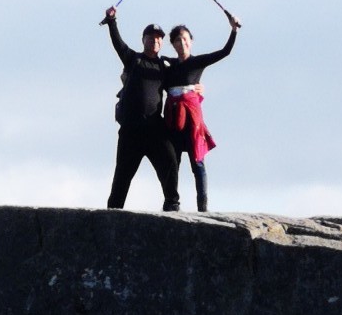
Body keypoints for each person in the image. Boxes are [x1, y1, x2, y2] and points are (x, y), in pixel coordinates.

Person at [103, 11, 180, 211]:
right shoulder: (133, 60)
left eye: (158, 39)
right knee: (122, 174)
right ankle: (113, 212)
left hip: (154, 128)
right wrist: (112, 22)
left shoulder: (165, 66)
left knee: (170, 159)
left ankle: (172, 204)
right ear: (143, 40)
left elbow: (186, 72)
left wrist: (196, 87)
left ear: (161, 43)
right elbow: (118, 44)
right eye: (151, 38)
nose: (154, 41)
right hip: (131, 129)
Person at [164, 16, 240, 212]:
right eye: (177, 40)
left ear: (191, 40)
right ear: (172, 44)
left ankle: (203, 207)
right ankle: (172, 203)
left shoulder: (198, 62)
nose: (182, 43)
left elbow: (225, 52)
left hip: (193, 121)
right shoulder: (168, 65)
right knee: (173, 162)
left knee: (197, 162)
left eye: (185, 38)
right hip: (173, 119)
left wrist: (233, 30)